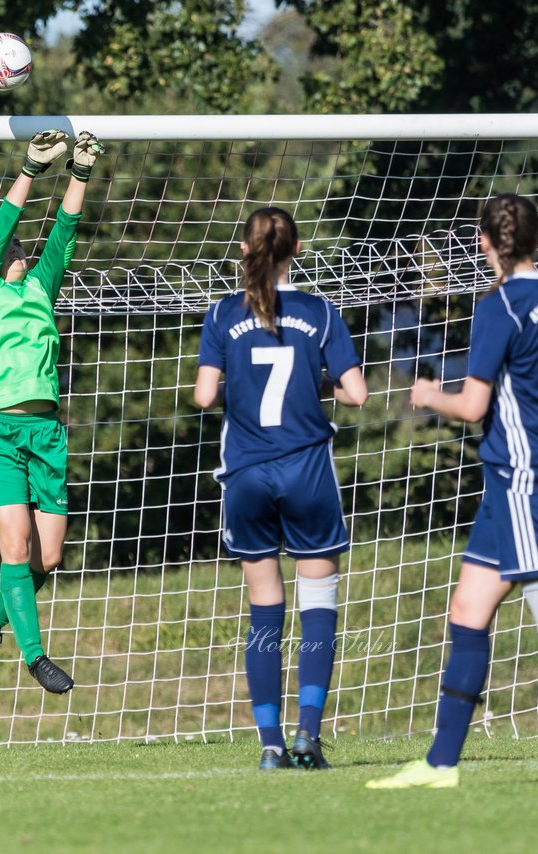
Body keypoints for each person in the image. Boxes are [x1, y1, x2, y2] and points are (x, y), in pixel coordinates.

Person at [368, 193, 538, 790]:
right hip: (524, 479)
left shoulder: (500, 307)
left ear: (485, 244)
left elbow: (473, 405)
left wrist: (428, 395)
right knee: (467, 610)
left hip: (524, 481)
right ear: (536, 239)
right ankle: (440, 765)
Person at [195, 207, 369, 769]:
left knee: (265, 606)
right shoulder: (319, 311)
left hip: (247, 472)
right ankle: (307, 737)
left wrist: (239, 390)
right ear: (296, 251)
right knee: (317, 605)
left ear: (244, 251)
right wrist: (316, 384)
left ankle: (269, 745)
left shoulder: (223, 312)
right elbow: (357, 394)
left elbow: (203, 396)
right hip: (307, 470)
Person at [0, 128, 104, 694]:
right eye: (13, 246)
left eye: (25, 245)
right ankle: (36, 656)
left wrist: (79, 173)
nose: (20, 249)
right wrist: (30, 168)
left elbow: (65, 234)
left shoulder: (41, 290)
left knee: (47, 557)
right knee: (16, 547)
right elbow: (1, 226)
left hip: (45, 432)